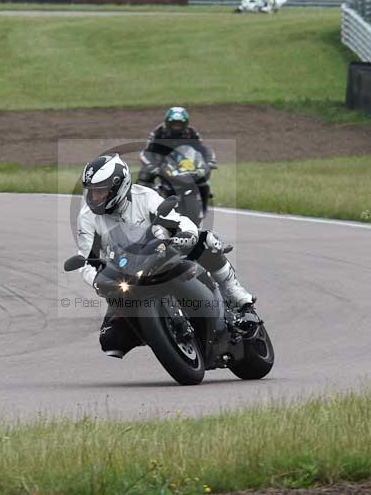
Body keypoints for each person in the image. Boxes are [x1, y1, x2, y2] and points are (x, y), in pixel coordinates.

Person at [76, 153, 256, 358]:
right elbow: (86, 261)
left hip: (161, 254)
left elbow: (177, 220)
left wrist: (187, 234)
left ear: (119, 186)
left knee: (205, 240)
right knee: (110, 342)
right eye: (91, 192)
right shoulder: (87, 218)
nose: (95, 197)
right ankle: (161, 332)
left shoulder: (144, 196)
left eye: (101, 191)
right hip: (124, 273)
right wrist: (96, 281)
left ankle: (240, 299)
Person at [137, 107, 216, 211]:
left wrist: (210, 162)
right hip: (162, 162)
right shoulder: (159, 132)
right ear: (168, 123)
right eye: (174, 124)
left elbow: (203, 149)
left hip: (185, 162)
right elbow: (146, 152)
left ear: (185, 123)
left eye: (179, 124)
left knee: (203, 177)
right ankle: (141, 204)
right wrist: (152, 165)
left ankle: (203, 203)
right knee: (145, 175)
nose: (176, 127)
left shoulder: (191, 133)